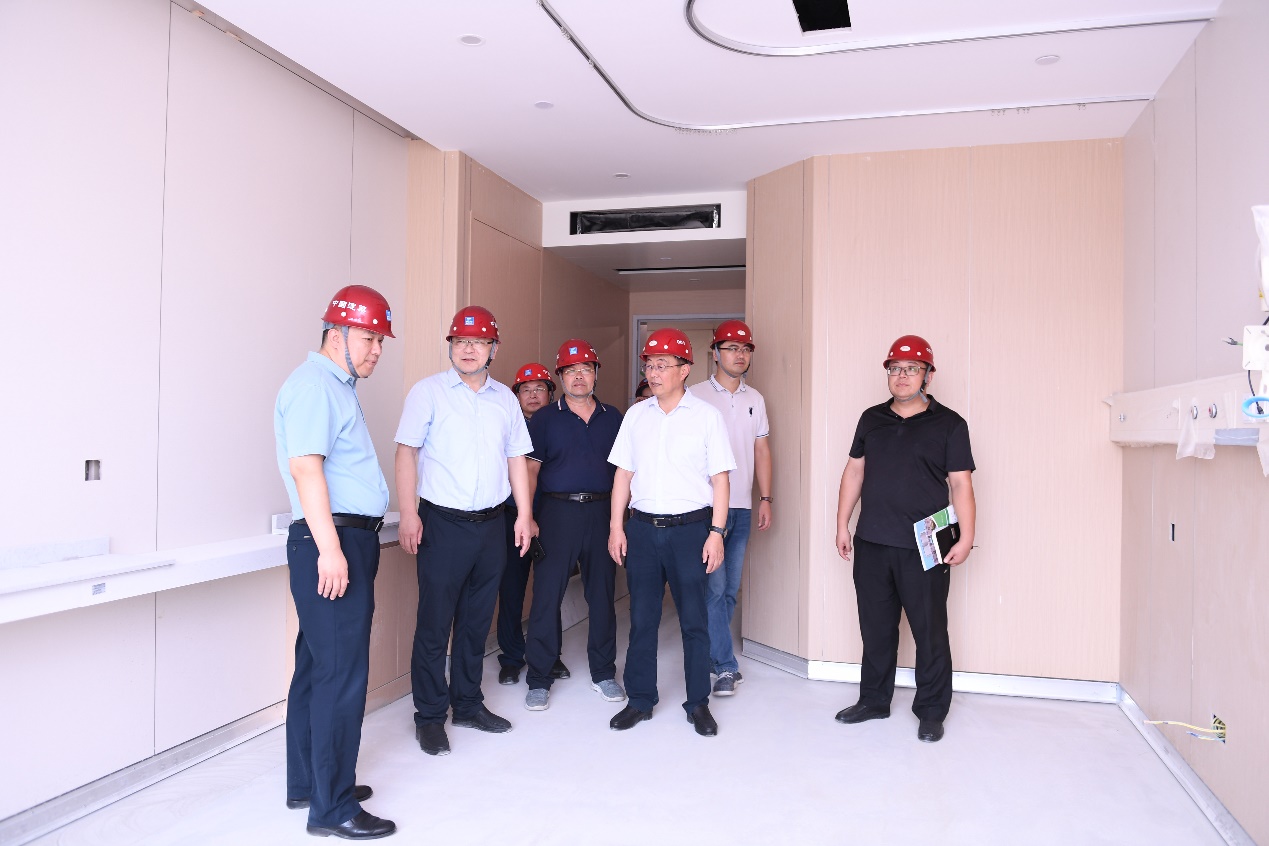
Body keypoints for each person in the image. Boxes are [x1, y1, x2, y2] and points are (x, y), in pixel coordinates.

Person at [273, 285, 397, 840]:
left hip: (340, 540)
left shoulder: (335, 387)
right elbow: (306, 469)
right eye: (369, 337)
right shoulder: (315, 385)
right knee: (341, 676)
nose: (376, 350)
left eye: (380, 340)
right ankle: (333, 808)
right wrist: (330, 550)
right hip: (333, 541)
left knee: (318, 667)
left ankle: (311, 784)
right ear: (336, 333)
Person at [394, 305, 534, 757]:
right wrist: (409, 513)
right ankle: (430, 716)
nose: (468, 349)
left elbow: (517, 459)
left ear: (494, 349)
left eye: (478, 342)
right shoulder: (428, 393)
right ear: (451, 346)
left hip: (492, 525)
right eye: (460, 341)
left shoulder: (505, 400)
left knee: (476, 623)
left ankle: (469, 705)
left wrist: (524, 515)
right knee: (435, 625)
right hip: (442, 524)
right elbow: (406, 452)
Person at [833, 335, 976, 743]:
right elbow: (854, 472)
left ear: (928, 376)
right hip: (873, 540)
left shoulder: (950, 424)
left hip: (927, 544)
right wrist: (842, 524)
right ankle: (873, 700)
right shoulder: (871, 419)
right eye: (895, 368)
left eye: (912, 368)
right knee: (876, 627)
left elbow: (960, 485)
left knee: (930, 630)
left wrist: (966, 537)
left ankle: (931, 710)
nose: (902, 375)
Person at [606, 328, 736, 737]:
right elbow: (623, 474)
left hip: (691, 531)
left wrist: (716, 532)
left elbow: (720, 480)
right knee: (642, 619)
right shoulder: (636, 416)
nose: (654, 372)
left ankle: (698, 703)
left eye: (663, 365)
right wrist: (616, 527)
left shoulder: (707, 417)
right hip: (643, 530)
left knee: (694, 621)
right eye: (649, 364)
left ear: (684, 370)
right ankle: (640, 700)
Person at [522, 339, 625, 711]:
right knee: (547, 596)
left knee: (602, 595)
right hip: (556, 513)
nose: (579, 376)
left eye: (585, 369)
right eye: (570, 370)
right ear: (561, 377)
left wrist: (619, 522)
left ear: (596, 373)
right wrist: (528, 516)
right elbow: (530, 471)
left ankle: (604, 673)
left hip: (601, 513)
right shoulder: (545, 419)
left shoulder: (614, 417)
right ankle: (539, 678)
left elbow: (624, 473)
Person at [689, 320, 772, 697]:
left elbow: (761, 450)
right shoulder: (695, 396)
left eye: (745, 348)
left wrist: (765, 497)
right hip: (709, 510)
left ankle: (712, 653)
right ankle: (725, 666)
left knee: (729, 590)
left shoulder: (756, 399)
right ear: (715, 353)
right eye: (731, 347)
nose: (739, 354)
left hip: (742, 507)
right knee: (715, 587)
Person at [496, 363, 569, 686]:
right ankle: (511, 658)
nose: (533, 395)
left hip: (552, 518)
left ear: (551, 393)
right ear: (516, 396)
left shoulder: (558, 424)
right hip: (511, 518)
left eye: (540, 388)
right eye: (525, 390)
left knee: (549, 591)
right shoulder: (506, 427)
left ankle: (550, 656)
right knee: (511, 589)